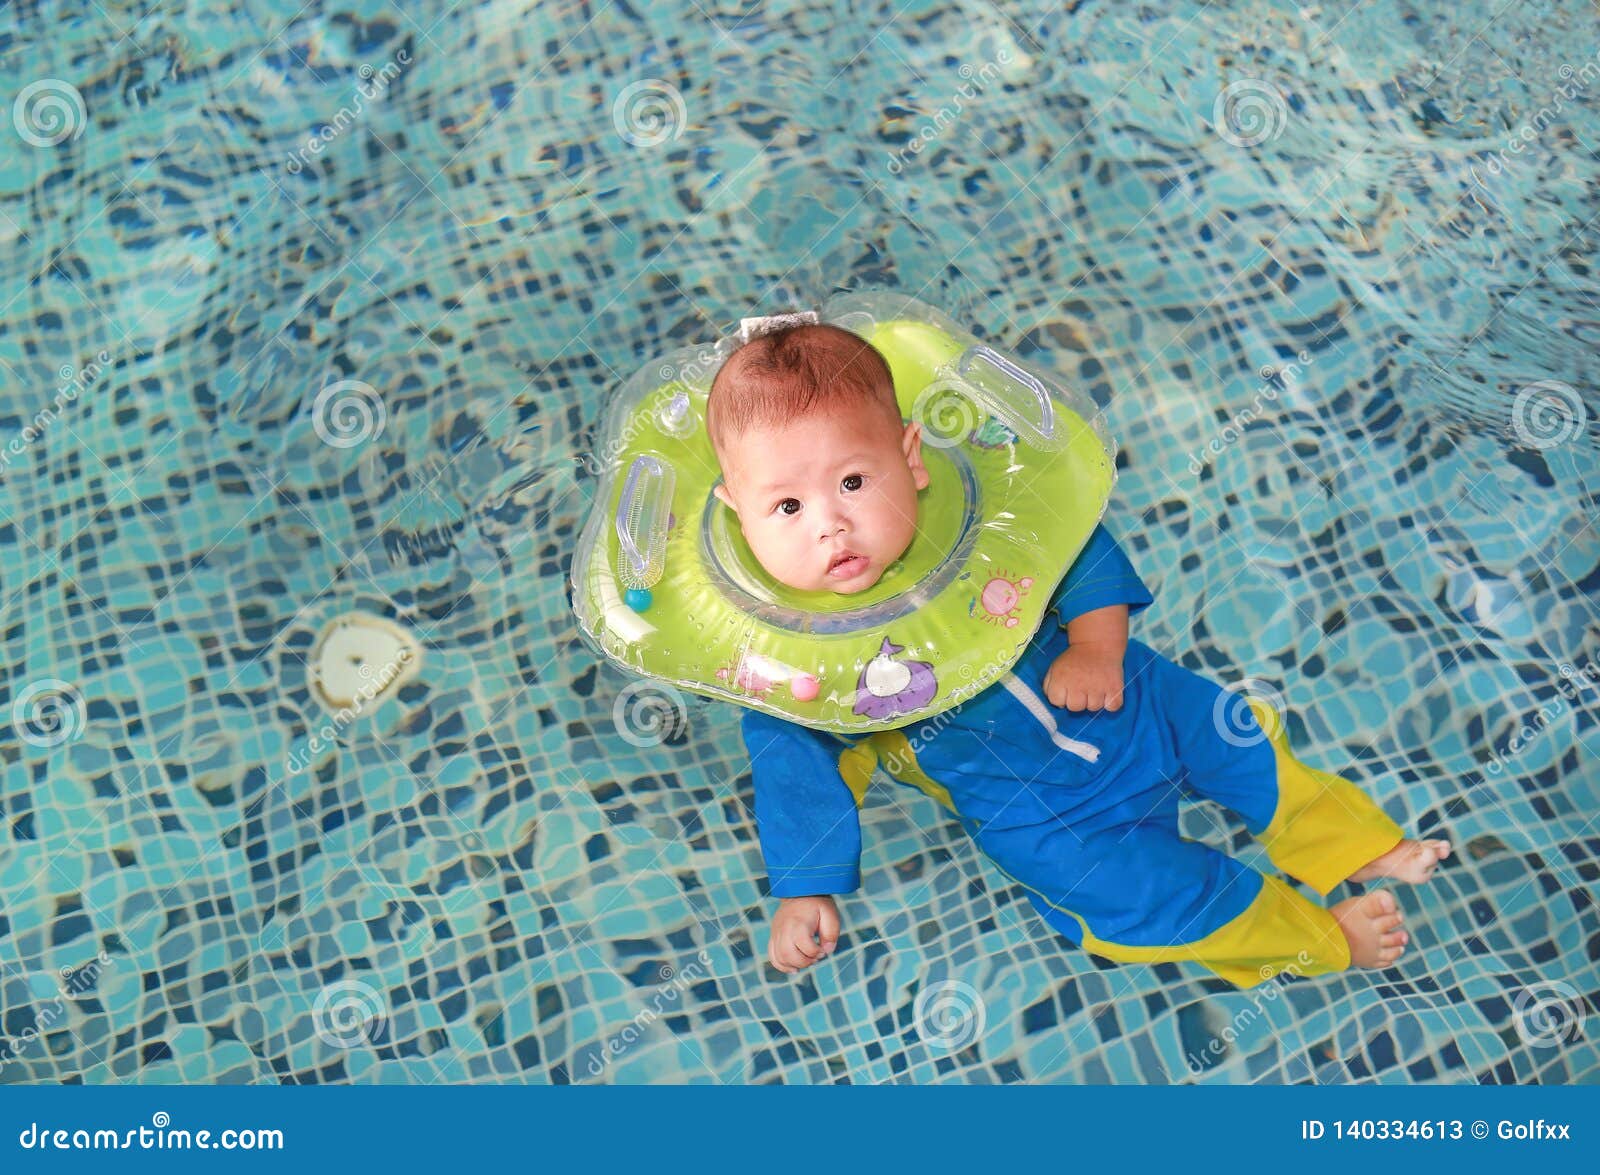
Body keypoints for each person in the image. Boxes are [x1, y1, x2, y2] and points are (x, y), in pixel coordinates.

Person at [707, 322, 1450, 987]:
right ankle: (1323, 938)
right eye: (788, 507)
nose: (831, 524)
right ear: (739, 515)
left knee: (1244, 742)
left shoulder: (973, 523)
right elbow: (796, 767)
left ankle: (1353, 845)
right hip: (1044, 815)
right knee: (1152, 902)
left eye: (853, 481)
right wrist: (806, 887)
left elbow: (1074, 548)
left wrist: (1098, 646)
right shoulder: (793, 658)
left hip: (1132, 702)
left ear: (913, 457)